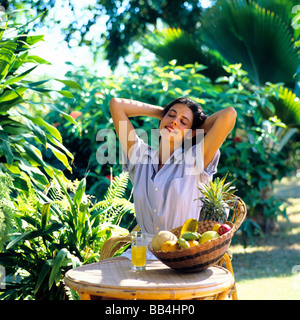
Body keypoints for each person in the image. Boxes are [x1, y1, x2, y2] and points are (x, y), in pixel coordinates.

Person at [108, 96, 237, 260]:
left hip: (182, 257)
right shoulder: (139, 155)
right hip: (139, 257)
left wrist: (193, 128)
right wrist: (162, 113)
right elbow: (117, 104)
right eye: (171, 115)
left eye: (183, 122)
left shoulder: (195, 161)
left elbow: (229, 114)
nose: (175, 122)